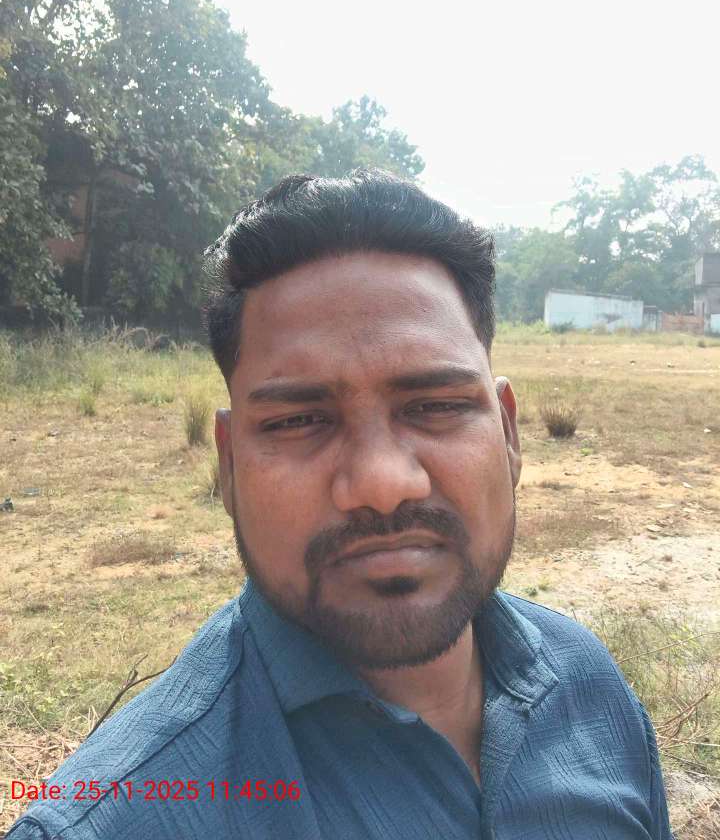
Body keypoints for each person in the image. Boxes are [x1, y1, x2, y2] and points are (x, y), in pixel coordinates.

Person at [8, 170, 674, 840]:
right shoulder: (115, 823)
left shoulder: (589, 689)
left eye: (437, 406)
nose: (383, 484)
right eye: (299, 421)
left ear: (508, 434)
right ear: (229, 466)